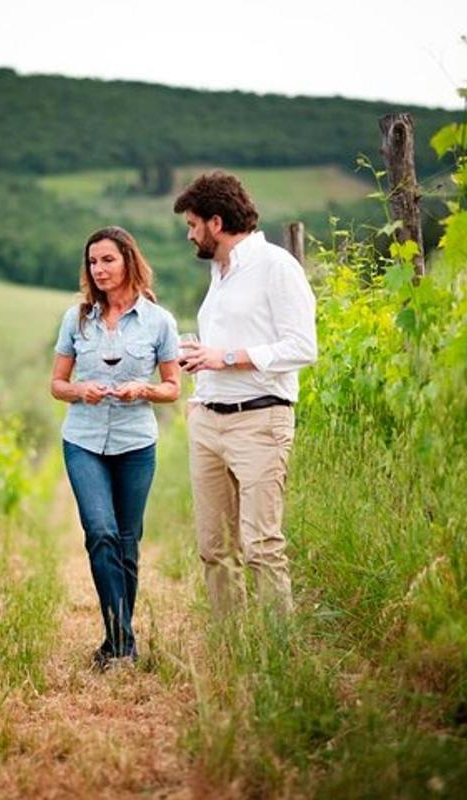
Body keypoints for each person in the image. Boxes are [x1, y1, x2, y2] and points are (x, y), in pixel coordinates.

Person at [172, 171, 317, 617]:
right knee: (213, 547)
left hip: (259, 421)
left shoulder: (277, 267)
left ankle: (276, 654)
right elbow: (223, 345)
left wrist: (226, 357)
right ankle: (230, 649)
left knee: (261, 546)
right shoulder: (220, 273)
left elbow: (303, 347)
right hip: (209, 421)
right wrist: (198, 370)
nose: (191, 235)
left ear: (216, 223)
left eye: (194, 225)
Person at [51, 226, 181, 669]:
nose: (99, 269)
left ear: (127, 260)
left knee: (128, 544)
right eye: (92, 262)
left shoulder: (159, 322)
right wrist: (78, 389)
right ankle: (124, 644)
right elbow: (57, 384)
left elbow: (173, 388)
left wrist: (142, 389)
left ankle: (114, 642)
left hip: (135, 443)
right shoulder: (77, 319)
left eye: (107, 260)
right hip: (83, 440)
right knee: (101, 533)